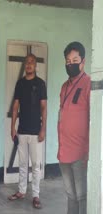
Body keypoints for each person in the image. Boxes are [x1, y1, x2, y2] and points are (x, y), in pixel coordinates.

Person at [8, 54, 47, 209]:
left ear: (35, 65)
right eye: (27, 62)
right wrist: (12, 127)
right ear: (25, 65)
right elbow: (15, 106)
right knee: (23, 163)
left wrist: (43, 128)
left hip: (36, 131)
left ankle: (36, 195)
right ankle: (21, 191)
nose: (29, 65)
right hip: (22, 131)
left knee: (36, 165)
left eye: (32, 62)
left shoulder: (40, 84)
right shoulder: (20, 84)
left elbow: (44, 108)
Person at [58, 41, 90, 214]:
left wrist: (89, 153)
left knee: (82, 196)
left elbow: (94, 121)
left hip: (80, 154)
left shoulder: (88, 85)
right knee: (70, 195)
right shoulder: (64, 87)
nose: (71, 64)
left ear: (83, 62)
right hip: (64, 152)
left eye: (75, 60)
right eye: (68, 61)